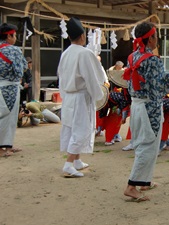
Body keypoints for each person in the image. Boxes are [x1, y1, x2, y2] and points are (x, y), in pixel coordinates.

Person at [123, 21, 169, 201]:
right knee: (148, 146)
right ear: (150, 39)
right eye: (156, 36)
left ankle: (144, 181)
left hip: (137, 104)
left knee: (144, 143)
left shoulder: (132, 57)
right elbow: (161, 88)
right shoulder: (152, 60)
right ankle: (132, 186)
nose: (157, 39)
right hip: (149, 107)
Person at [57, 17, 105, 177]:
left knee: (73, 128)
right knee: (82, 129)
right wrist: (99, 94)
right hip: (80, 97)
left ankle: (76, 160)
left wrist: (64, 94)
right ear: (83, 36)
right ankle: (68, 163)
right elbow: (91, 77)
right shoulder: (84, 53)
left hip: (69, 96)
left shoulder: (65, 53)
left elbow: (61, 77)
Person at [0, 23, 27, 157]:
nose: (15, 38)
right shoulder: (14, 50)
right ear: (9, 36)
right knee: (8, 118)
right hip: (10, 88)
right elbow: (20, 70)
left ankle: (7, 145)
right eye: (14, 35)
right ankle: (3, 147)